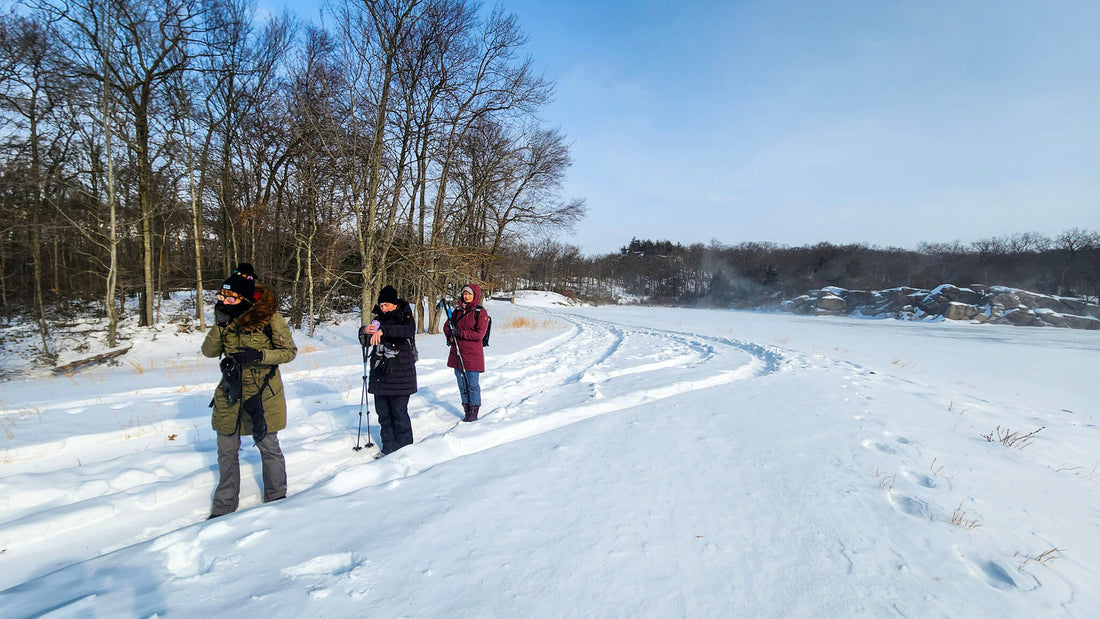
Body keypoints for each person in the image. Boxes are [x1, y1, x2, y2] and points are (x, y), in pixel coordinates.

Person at [201, 263, 297, 519]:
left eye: (228, 295)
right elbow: (208, 352)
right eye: (221, 295)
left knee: (268, 447)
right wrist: (219, 326)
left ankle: (277, 501)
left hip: (263, 393)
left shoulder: (270, 318)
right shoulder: (225, 318)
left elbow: (289, 352)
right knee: (226, 452)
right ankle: (223, 508)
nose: (223, 299)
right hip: (230, 393)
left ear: (242, 296)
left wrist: (259, 355)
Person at [360, 285, 418, 457]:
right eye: (382, 305)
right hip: (380, 373)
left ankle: (405, 449)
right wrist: (364, 331)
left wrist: (384, 330)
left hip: (400, 374)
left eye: (386, 305)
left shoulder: (404, 316)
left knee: (399, 413)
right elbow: (365, 342)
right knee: (383, 414)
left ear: (394, 304)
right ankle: (388, 448)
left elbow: (408, 331)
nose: (383, 309)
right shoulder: (377, 319)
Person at [443, 283, 490, 422]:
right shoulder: (457, 310)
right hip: (457, 353)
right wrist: (450, 336)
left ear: (475, 295)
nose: (467, 296)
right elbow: (447, 326)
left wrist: (459, 333)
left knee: (472, 384)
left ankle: (474, 411)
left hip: (472, 355)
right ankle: (466, 408)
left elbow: (479, 335)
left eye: (469, 294)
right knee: (461, 383)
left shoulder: (480, 312)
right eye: (465, 293)